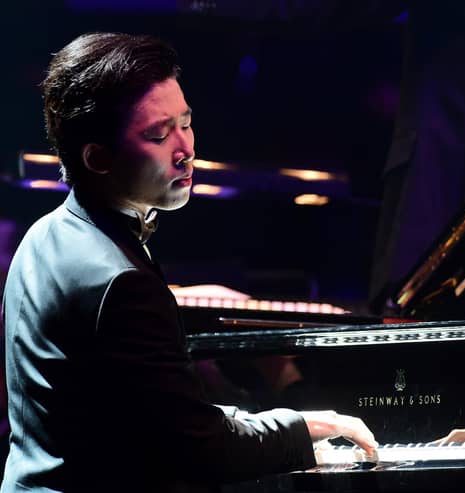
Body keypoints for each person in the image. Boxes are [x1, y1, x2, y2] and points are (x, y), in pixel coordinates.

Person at [0, 32, 377, 493]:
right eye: (158, 134)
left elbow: (149, 415)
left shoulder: (43, 236)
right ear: (97, 157)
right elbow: (197, 446)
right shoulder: (119, 279)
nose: (186, 148)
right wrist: (298, 430)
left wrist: (295, 421)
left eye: (186, 122)